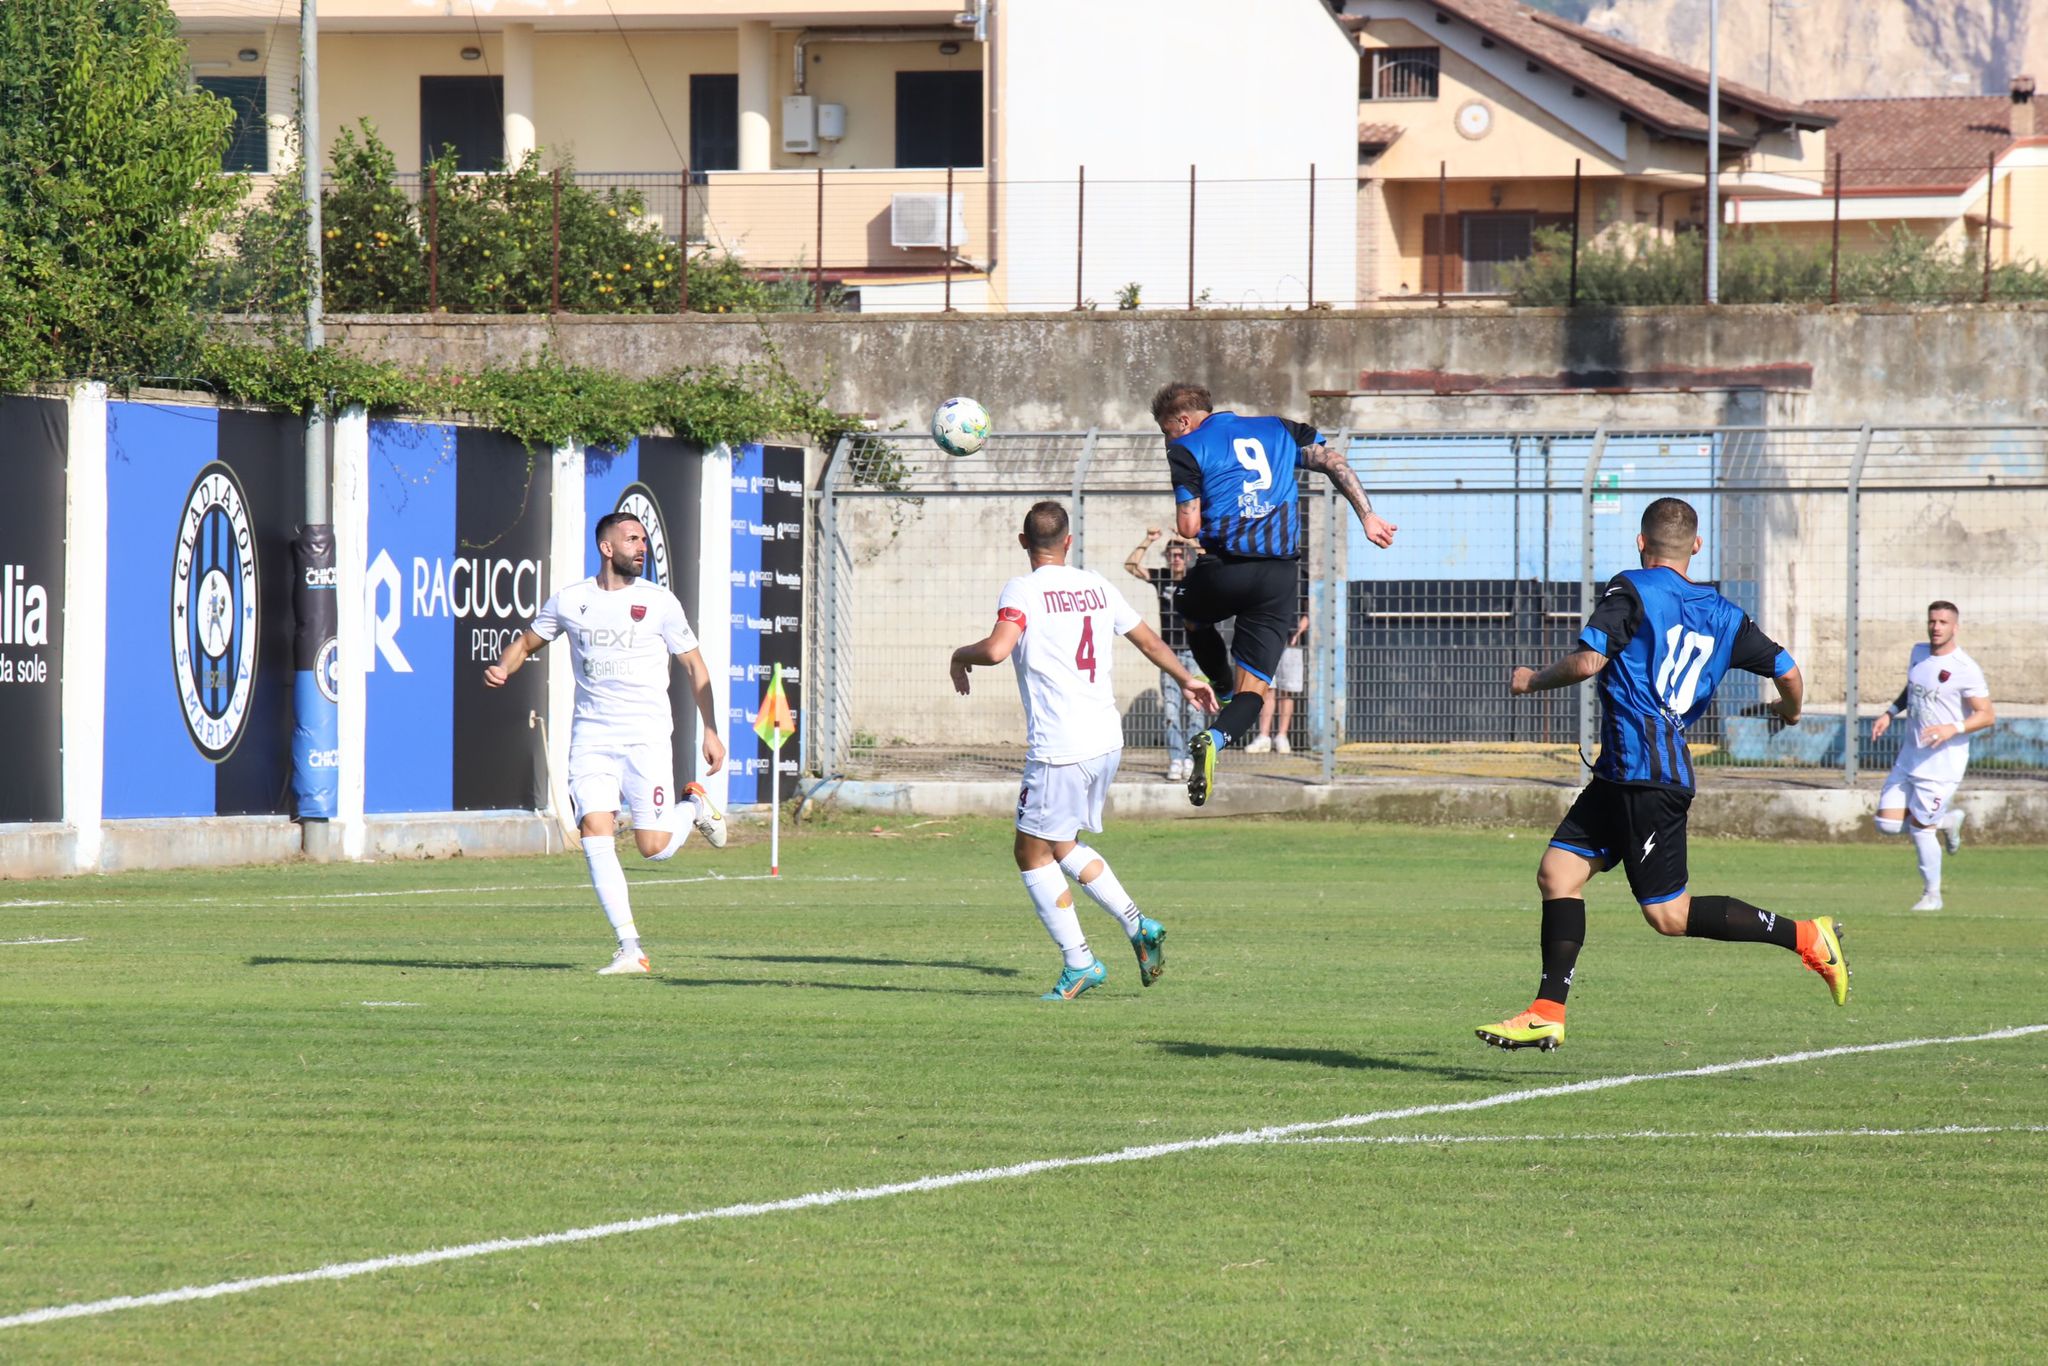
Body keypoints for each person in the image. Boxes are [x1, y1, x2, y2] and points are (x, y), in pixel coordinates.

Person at [1475, 497, 1848, 1052]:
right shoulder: (1725, 614)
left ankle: (1807, 937)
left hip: (1647, 777)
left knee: (1668, 916)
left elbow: (1586, 662)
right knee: (1558, 873)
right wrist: (1789, 714)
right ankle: (1547, 1011)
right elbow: (1789, 672)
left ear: (1641, 544)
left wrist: (1530, 680)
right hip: (1622, 776)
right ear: (1696, 547)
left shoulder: (1631, 588)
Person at [951, 501, 1219, 1000]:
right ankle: (1138, 926)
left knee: (1030, 854)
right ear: (1068, 542)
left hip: (1061, 746)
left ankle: (1080, 963)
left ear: (1022, 542)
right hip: (1105, 740)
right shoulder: (1096, 584)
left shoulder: (1024, 588)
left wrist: (957, 656)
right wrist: (1187, 678)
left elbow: (995, 649)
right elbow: (1147, 640)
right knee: (1061, 844)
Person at [485, 512, 728, 975]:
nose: (642, 547)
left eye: (643, 540)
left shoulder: (659, 602)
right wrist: (504, 666)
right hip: (592, 737)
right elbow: (526, 643)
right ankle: (630, 947)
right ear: (606, 547)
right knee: (595, 832)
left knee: (654, 847)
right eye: (632, 539)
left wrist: (710, 729)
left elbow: (696, 668)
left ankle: (692, 807)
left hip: (647, 737)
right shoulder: (571, 600)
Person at [1152, 381, 1395, 806]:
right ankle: (1216, 736)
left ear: (1183, 421)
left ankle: (1221, 688)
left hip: (1225, 568)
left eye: (1166, 430)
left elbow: (1188, 527)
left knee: (1188, 607)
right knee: (1256, 691)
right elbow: (1333, 461)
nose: (1168, 440)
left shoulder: (1187, 448)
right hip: (1280, 578)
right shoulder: (1280, 428)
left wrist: (1193, 515)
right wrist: (1368, 515)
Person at [1870, 601, 1994, 912]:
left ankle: (1932, 896)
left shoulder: (1966, 669)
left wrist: (1953, 727)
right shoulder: (1918, 652)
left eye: (1943, 622)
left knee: (1920, 830)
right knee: (1885, 823)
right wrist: (1890, 712)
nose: (1936, 627)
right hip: (1909, 756)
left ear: (1955, 627)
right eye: (1932, 621)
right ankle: (1947, 820)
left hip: (1942, 765)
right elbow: (1912, 689)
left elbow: (1986, 715)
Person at [1123, 527, 1202, 780]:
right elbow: (1131, 565)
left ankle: (1192, 759)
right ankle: (1176, 759)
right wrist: (1148, 539)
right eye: (1172, 555)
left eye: (1180, 555)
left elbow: (1212, 560)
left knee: (1195, 710)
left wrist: (1190, 539)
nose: (1176, 559)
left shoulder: (1196, 577)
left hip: (1196, 652)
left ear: (1187, 557)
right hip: (1169, 654)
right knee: (1170, 710)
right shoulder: (1162, 577)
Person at [1247, 613, 1310, 754]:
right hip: (1267, 637)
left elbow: (1309, 608)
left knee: (1287, 690)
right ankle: (1264, 736)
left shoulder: (1299, 589)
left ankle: (1282, 735)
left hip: (1292, 639)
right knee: (1267, 688)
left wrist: (1298, 631)